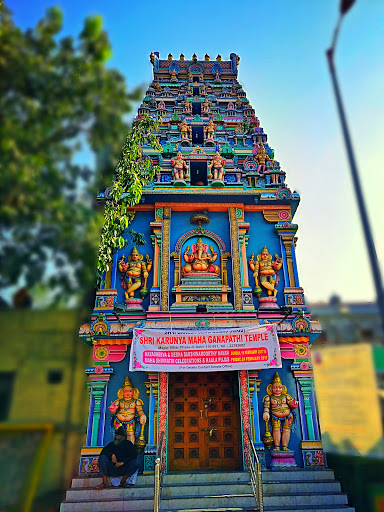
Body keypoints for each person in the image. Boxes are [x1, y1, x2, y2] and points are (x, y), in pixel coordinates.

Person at [263, 373, 298, 451]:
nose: (277, 389)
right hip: (275, 417)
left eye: (279, 387)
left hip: (288, 416)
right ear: (271, 388)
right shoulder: (269, 398)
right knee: (276, 430)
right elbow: (266, 407)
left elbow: (291, 404)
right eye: (275, 387)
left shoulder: (286, 396)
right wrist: (266, 412)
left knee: (287, 430)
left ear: (283, 388)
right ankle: (277, 446)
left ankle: (285, 446)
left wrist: (293, 405)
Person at [108, 376, 147, 444]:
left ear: (134, 392)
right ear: (121, 392)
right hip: (118, 420)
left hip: (130, 421)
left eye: (130, 391)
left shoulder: (136, 401)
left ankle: (130, 450)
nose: (127, 393)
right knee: (118, 436)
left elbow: (140, 411)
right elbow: (113, 412)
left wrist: (142, 415)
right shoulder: (119, 401)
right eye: (125, 391)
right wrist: (112, 410)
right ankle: (118, 451)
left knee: (130, 434)